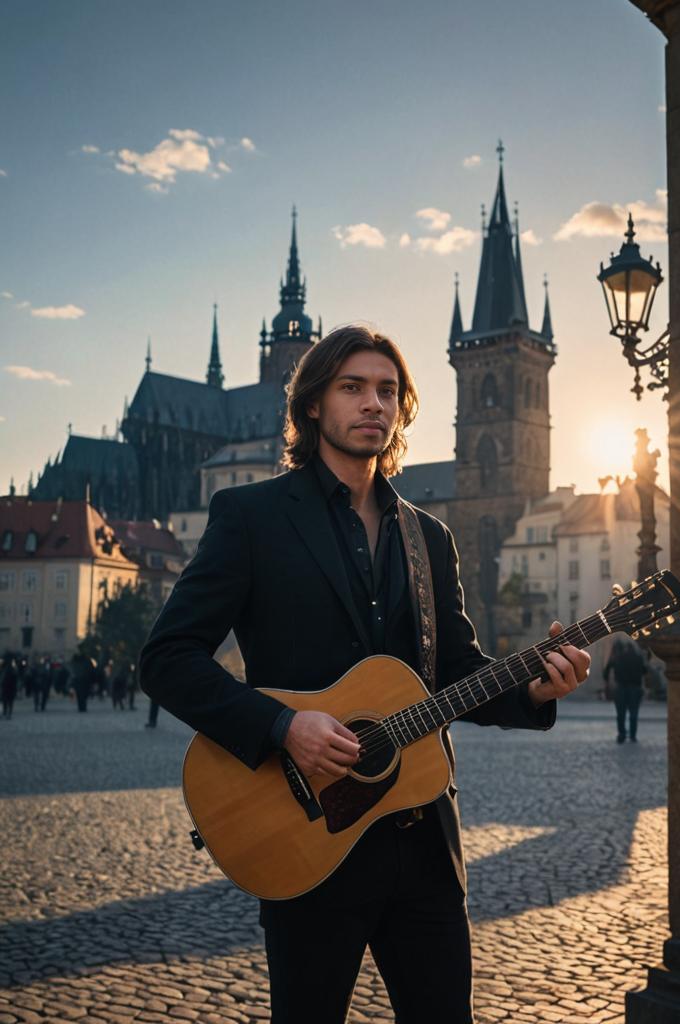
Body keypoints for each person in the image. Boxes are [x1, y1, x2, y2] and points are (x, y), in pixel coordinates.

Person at [140, 324, 590, 1024]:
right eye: (353, 387)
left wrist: (535, 687)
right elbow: (166, 659)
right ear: (314, 403)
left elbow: (457, 672)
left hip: (424, 840)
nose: (372, 403)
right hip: (308, 834)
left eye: (387, 390)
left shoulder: (428, 536)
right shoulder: (251, 517)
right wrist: (282, 726)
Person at [603, 636, 646, 743]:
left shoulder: (618, 657)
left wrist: (608, 681)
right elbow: (645, 671)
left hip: (621, 688)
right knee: (633, 713)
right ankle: (632, 735)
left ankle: (622, 734)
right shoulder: (638, 657)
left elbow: (606, 671)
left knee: (621, 714)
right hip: (635, 688)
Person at [1, 651, 18, 719]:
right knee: (6, 700)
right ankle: (6, 712)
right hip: (6, 685)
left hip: (10, 685)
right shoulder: (5, 664)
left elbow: (15, 674)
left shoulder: (12, 664)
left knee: (9, 700)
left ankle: (8, 713)